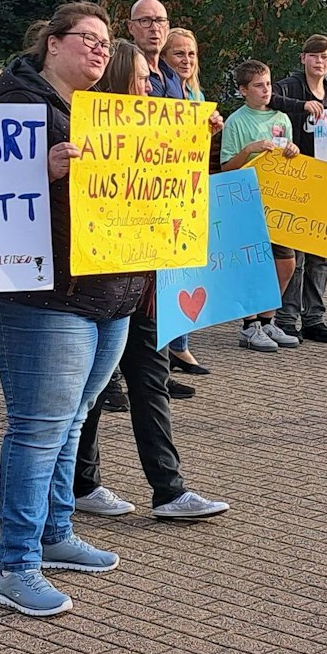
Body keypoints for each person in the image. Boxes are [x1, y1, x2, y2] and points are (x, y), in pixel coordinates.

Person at [0, 4, 139, 616]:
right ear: (52, 43)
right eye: (87, 40)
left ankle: (56, 531)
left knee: (72, 420)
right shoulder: (12, 109)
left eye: (106, 42)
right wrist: (38, 171)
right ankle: (15, 564)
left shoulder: (106, 116)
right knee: (39, 428)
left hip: (109, 292)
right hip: (42, 296)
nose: (100, 50)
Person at [68, 40, 232, 524]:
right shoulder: (91, 126)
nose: (150, 84)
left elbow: (182, 189)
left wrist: (202, 139)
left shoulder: (162, 127)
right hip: (104, 284)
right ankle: (84, 483)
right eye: (141, 77)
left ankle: (169, 489)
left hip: (148, 284)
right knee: (95, 390)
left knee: (151, 382)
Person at [221, 58, 303, 351]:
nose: (266, 90)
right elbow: (227, 167)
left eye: (268, 84)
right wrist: (249, 150)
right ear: (244, 90)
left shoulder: (281, 118)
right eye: (258, 86)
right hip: (247, 204)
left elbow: (289, 160)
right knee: (252, 265)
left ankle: (269, 321)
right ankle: (249, 325)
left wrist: (293, 151)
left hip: (277, 203)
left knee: (286, 263)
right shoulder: (236, 121)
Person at [270, 35, 327, 342]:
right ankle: (287, 317)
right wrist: (302, 106)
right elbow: (268, 99)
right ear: (303, 58)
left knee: (320, 256)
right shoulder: (289, 86)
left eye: (325, 57)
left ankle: (314, 317)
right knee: (294, 255)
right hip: (295, 179)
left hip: (326, 181)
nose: (320, 62)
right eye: (314, 56)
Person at [162, 28, 211, 373]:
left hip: (190, 190)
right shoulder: (161, 92)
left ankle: (180, 344)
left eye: (191, 54)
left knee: (187, 269)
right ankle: (170, 349)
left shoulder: (195, 93)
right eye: (178, 53)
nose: (186, 60)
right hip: (163, 193)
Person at [126, 0, 185, 98]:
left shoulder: (173, 76)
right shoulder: (124, 70)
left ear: (167, 27)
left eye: (160, 21)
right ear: (131, 27)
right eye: (145, 21)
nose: (154, 28)